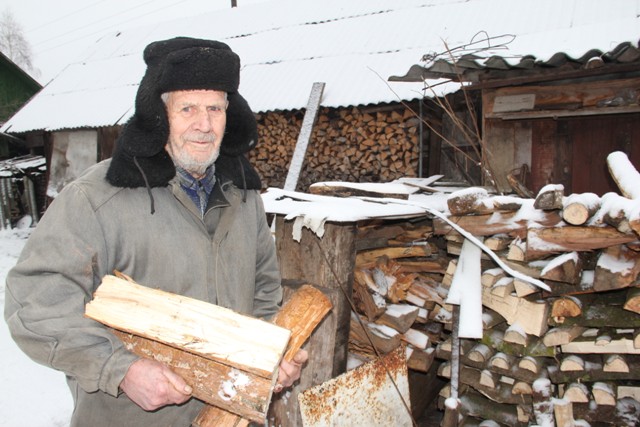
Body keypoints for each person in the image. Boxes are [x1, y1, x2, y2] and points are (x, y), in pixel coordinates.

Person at [4, 36, 307, 427]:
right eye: (188, 108)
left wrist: (272, 355)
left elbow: (264, 294)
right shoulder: (96, 200)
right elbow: (34, 304)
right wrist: (120, 369)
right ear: (159, 114)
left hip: (226, 417)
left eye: (215, 108)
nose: (204, 125)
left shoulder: (244, 198)